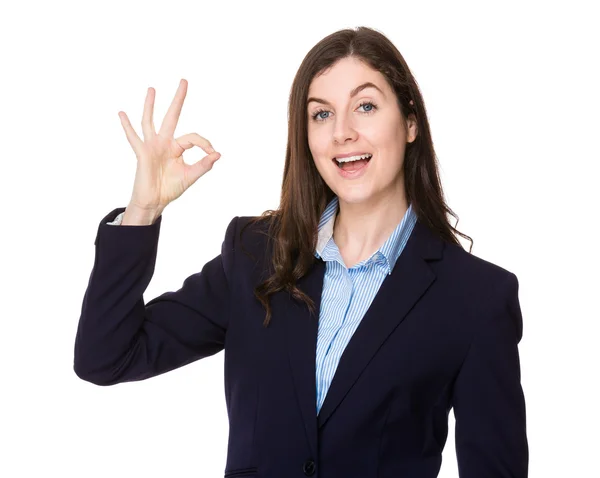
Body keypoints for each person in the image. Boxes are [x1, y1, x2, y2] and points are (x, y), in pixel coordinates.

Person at [73, 26, 528, 478]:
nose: (342, 133)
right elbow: (107, 355)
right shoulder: (255, 254)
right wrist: (143, 208)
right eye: (321, 115)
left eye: (365, 107)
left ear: (410, 123)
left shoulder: (476, 298)